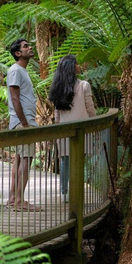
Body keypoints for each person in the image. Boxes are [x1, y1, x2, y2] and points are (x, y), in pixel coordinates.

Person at [48, 54, 96, 203]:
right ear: (71, 67)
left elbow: (57, 112)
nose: (78, 66)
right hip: (82, 128)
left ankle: (65, 193)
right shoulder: (83, 85)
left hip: (64, 128)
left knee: (65, 161)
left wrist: (57, 126)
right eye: (76, 64)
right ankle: (77, 191)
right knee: (79, 160)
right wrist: (95, 122)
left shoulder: (58, 88)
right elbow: (90, 107)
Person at [6, 38, 41, 211]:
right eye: (26, 46)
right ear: (18, 53)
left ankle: (13, 199)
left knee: (19, 160)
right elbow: (14, 98)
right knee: (26, 159)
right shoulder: (15, 71)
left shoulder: (22, 70)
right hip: (23, 121)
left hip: (23, 121)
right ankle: (19, 201)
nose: (30, 47)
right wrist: (25, 123)